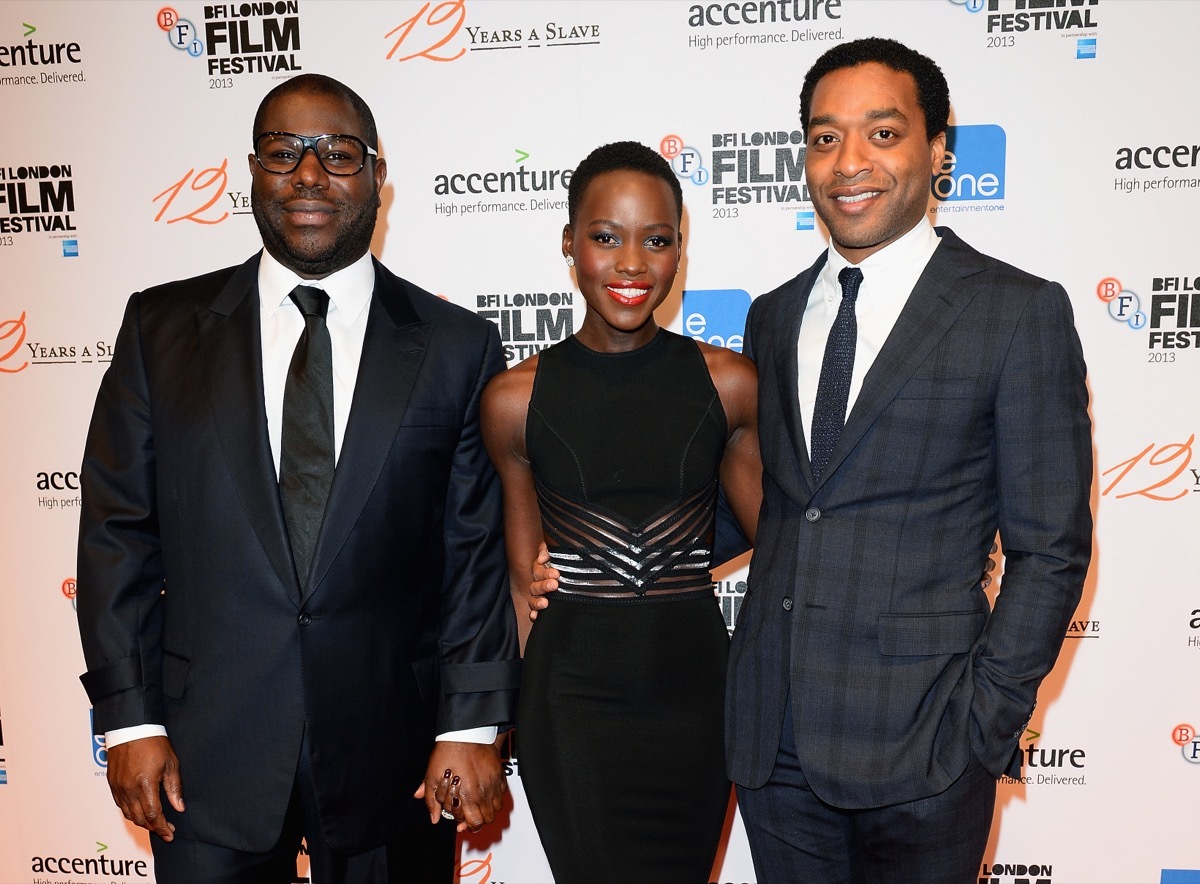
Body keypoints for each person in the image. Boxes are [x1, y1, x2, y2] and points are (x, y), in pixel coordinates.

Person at [75, 73, 519, 884]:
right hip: (204, 757)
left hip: (397, 758)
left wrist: (475, 723)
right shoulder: (160, 328)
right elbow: (116, 533)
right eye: (283, 154)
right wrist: (130, 719)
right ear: (251, 171)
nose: (309, 176)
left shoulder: (456, 347)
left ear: (378, 177)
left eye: (338, 154)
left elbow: (476, 556)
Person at [722, 38, 1093, 882]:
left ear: (937, 152)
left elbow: (1051, 548)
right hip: (772, 744)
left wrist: (982, 722)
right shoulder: (772, 317)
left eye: (881, 134)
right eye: (824, 137)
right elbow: (775, 505)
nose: (848, 162)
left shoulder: (1016, 312)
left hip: (929, 747)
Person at [481, 141, 761, 884]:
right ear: (569, 244)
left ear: (681, 251)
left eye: (657, 239)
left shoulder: (729, 383)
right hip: (570, 702)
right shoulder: (515, 399)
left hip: (696, 695)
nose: (632, 263)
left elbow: (786, 534)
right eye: (606, 237)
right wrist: (487, 726)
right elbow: (521, 583)